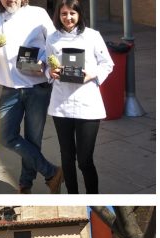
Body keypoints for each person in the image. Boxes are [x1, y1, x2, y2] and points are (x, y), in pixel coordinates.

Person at [0, 0, 64, 194]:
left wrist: (44, 63)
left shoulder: (38, 13)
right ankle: (51, 172)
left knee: (33, 138)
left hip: (37, 86)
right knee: (4, 135)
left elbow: (55, 42)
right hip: (10, 87)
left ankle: (25, 184)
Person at [46, 0, 114, 194]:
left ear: (79, 14)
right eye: (64, 14)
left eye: (72, 13)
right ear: (58, 16)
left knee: (85, 160)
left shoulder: (92, 36)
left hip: (87, 104)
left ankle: (93, 197)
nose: (68, 18)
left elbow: (107, 64)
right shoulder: (52, 38)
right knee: (67, 157)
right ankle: (72, 195)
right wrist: (50, 74)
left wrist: (91, 74)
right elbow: (47, 65)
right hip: (61, 105)